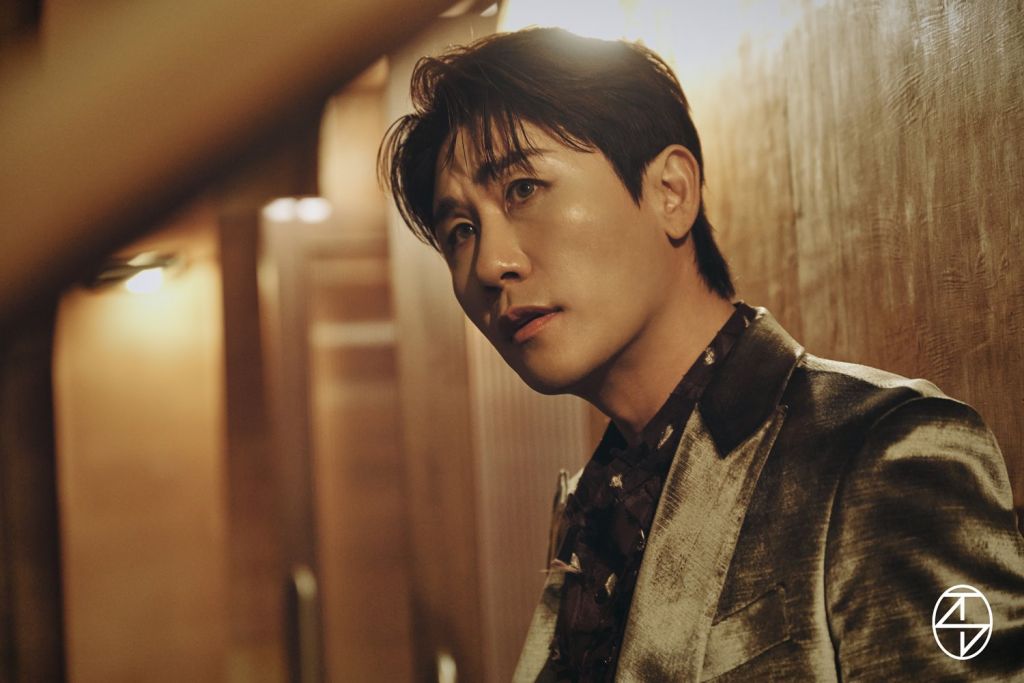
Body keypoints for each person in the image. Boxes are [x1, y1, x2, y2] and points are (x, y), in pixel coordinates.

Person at [379, 27, 1024, 682]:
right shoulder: (597, 504)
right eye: (460, 230)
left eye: (523, 189)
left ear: (672, 191)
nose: (490, 263)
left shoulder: (883, 453)